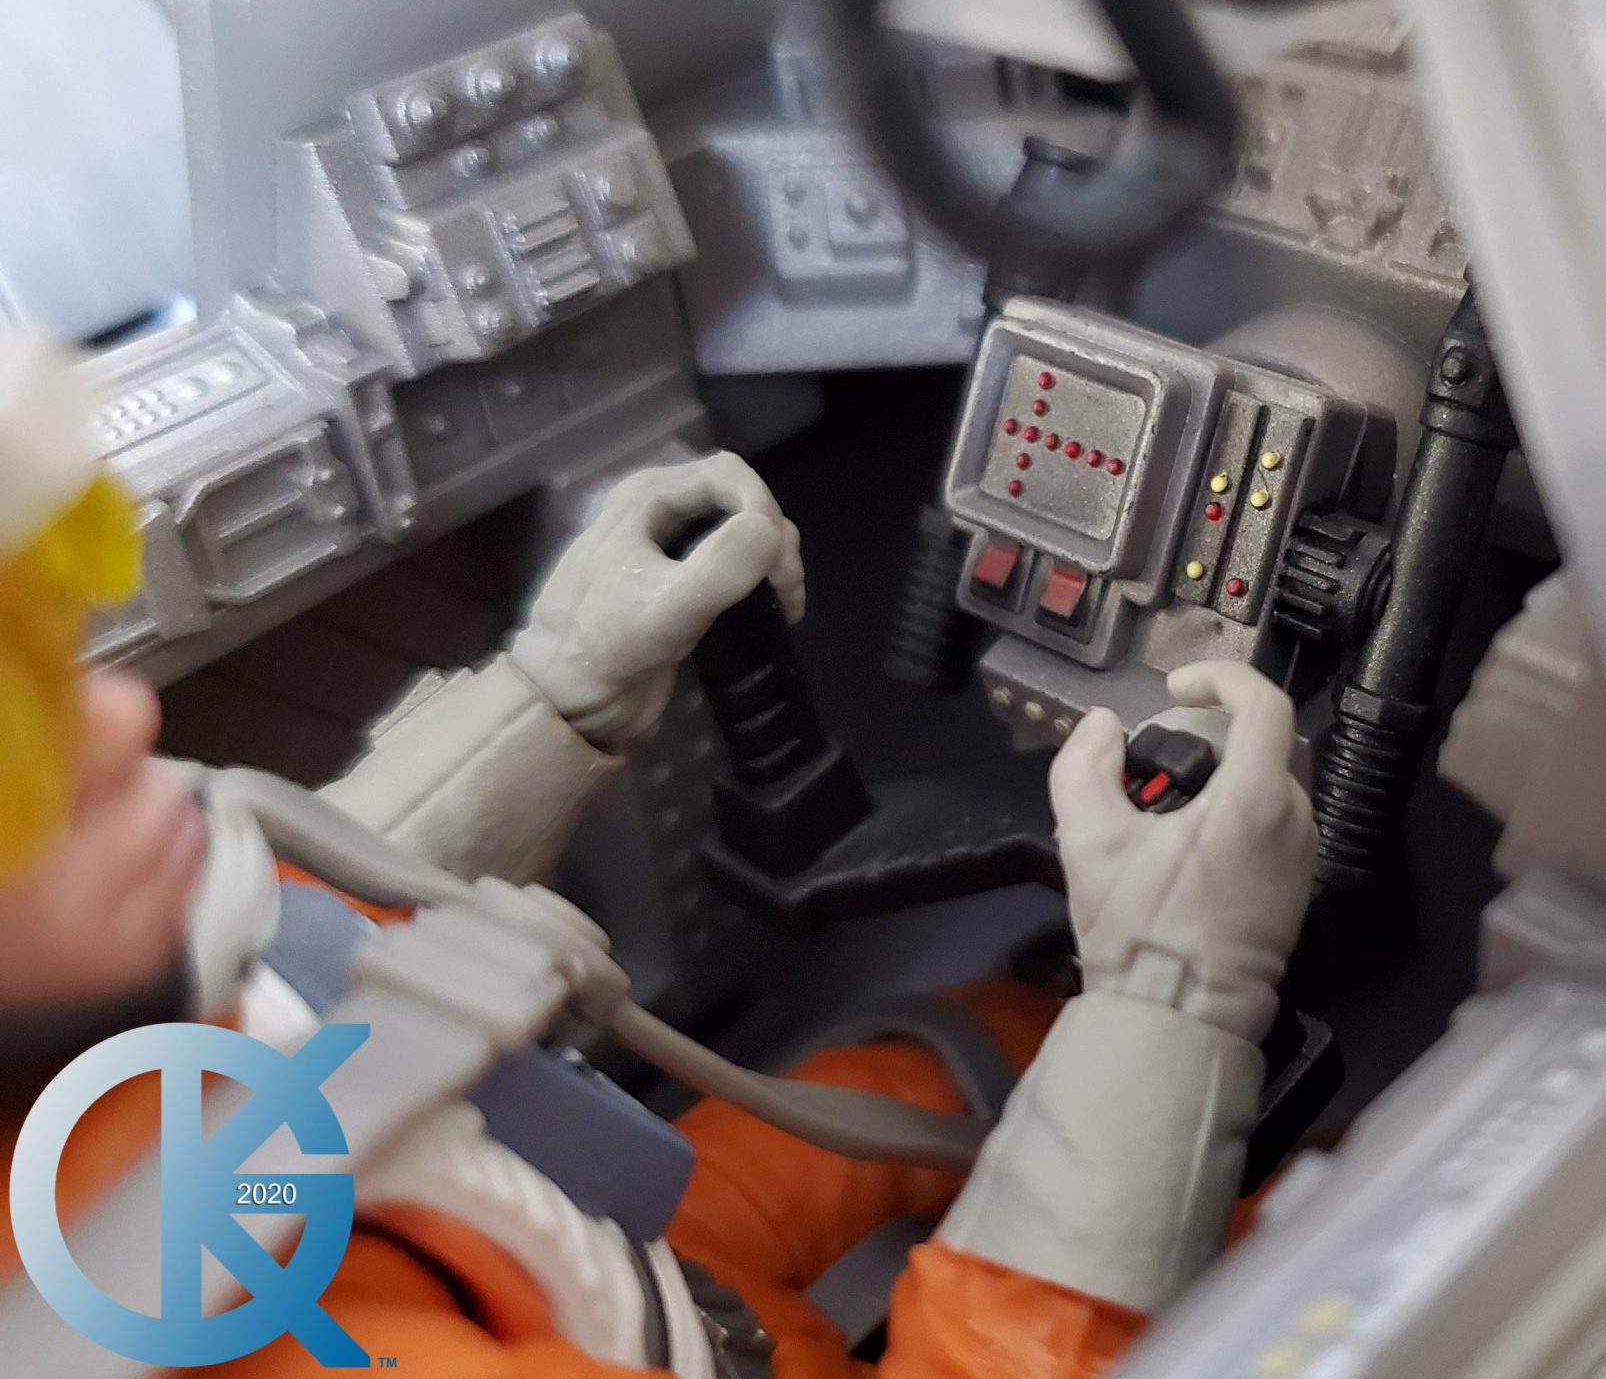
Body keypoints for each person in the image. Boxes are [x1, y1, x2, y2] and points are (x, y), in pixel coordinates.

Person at [0, 324, 1321, 1378]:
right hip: (595, 1314)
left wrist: (559, 688)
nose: (122, 722)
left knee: (946, 1055)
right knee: (1317, 1259)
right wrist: (1170, 1005)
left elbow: (304, 920)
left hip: (619, 1261)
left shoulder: (91, 1036)